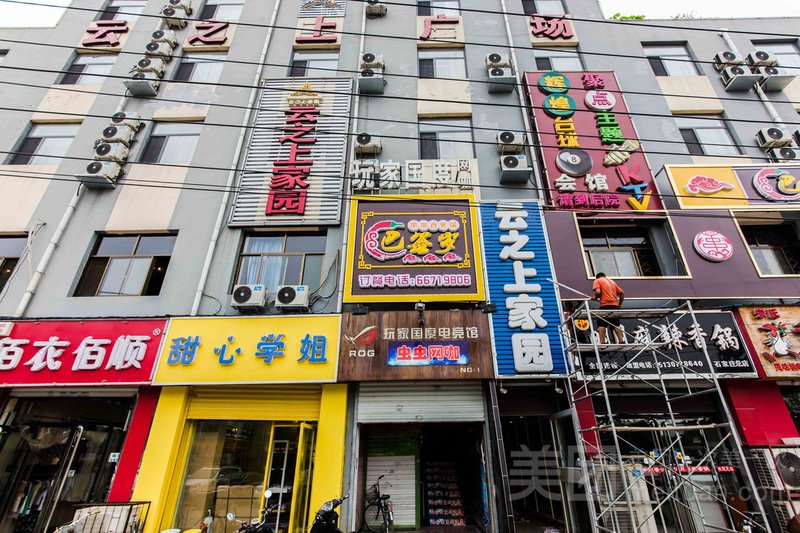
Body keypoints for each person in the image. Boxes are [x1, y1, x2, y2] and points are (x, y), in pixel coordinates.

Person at [592, 272, 624, 344]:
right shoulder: (612, 281)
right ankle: (621, 340)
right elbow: (622, 293)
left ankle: (602, 342)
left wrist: (595, 298)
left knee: (601, 324)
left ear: (597, 277)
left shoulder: (597, 281)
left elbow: (598, 292)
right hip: (615, 306)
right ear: (605, 276)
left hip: (605, 305)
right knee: (616, 324)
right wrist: (619, 304)